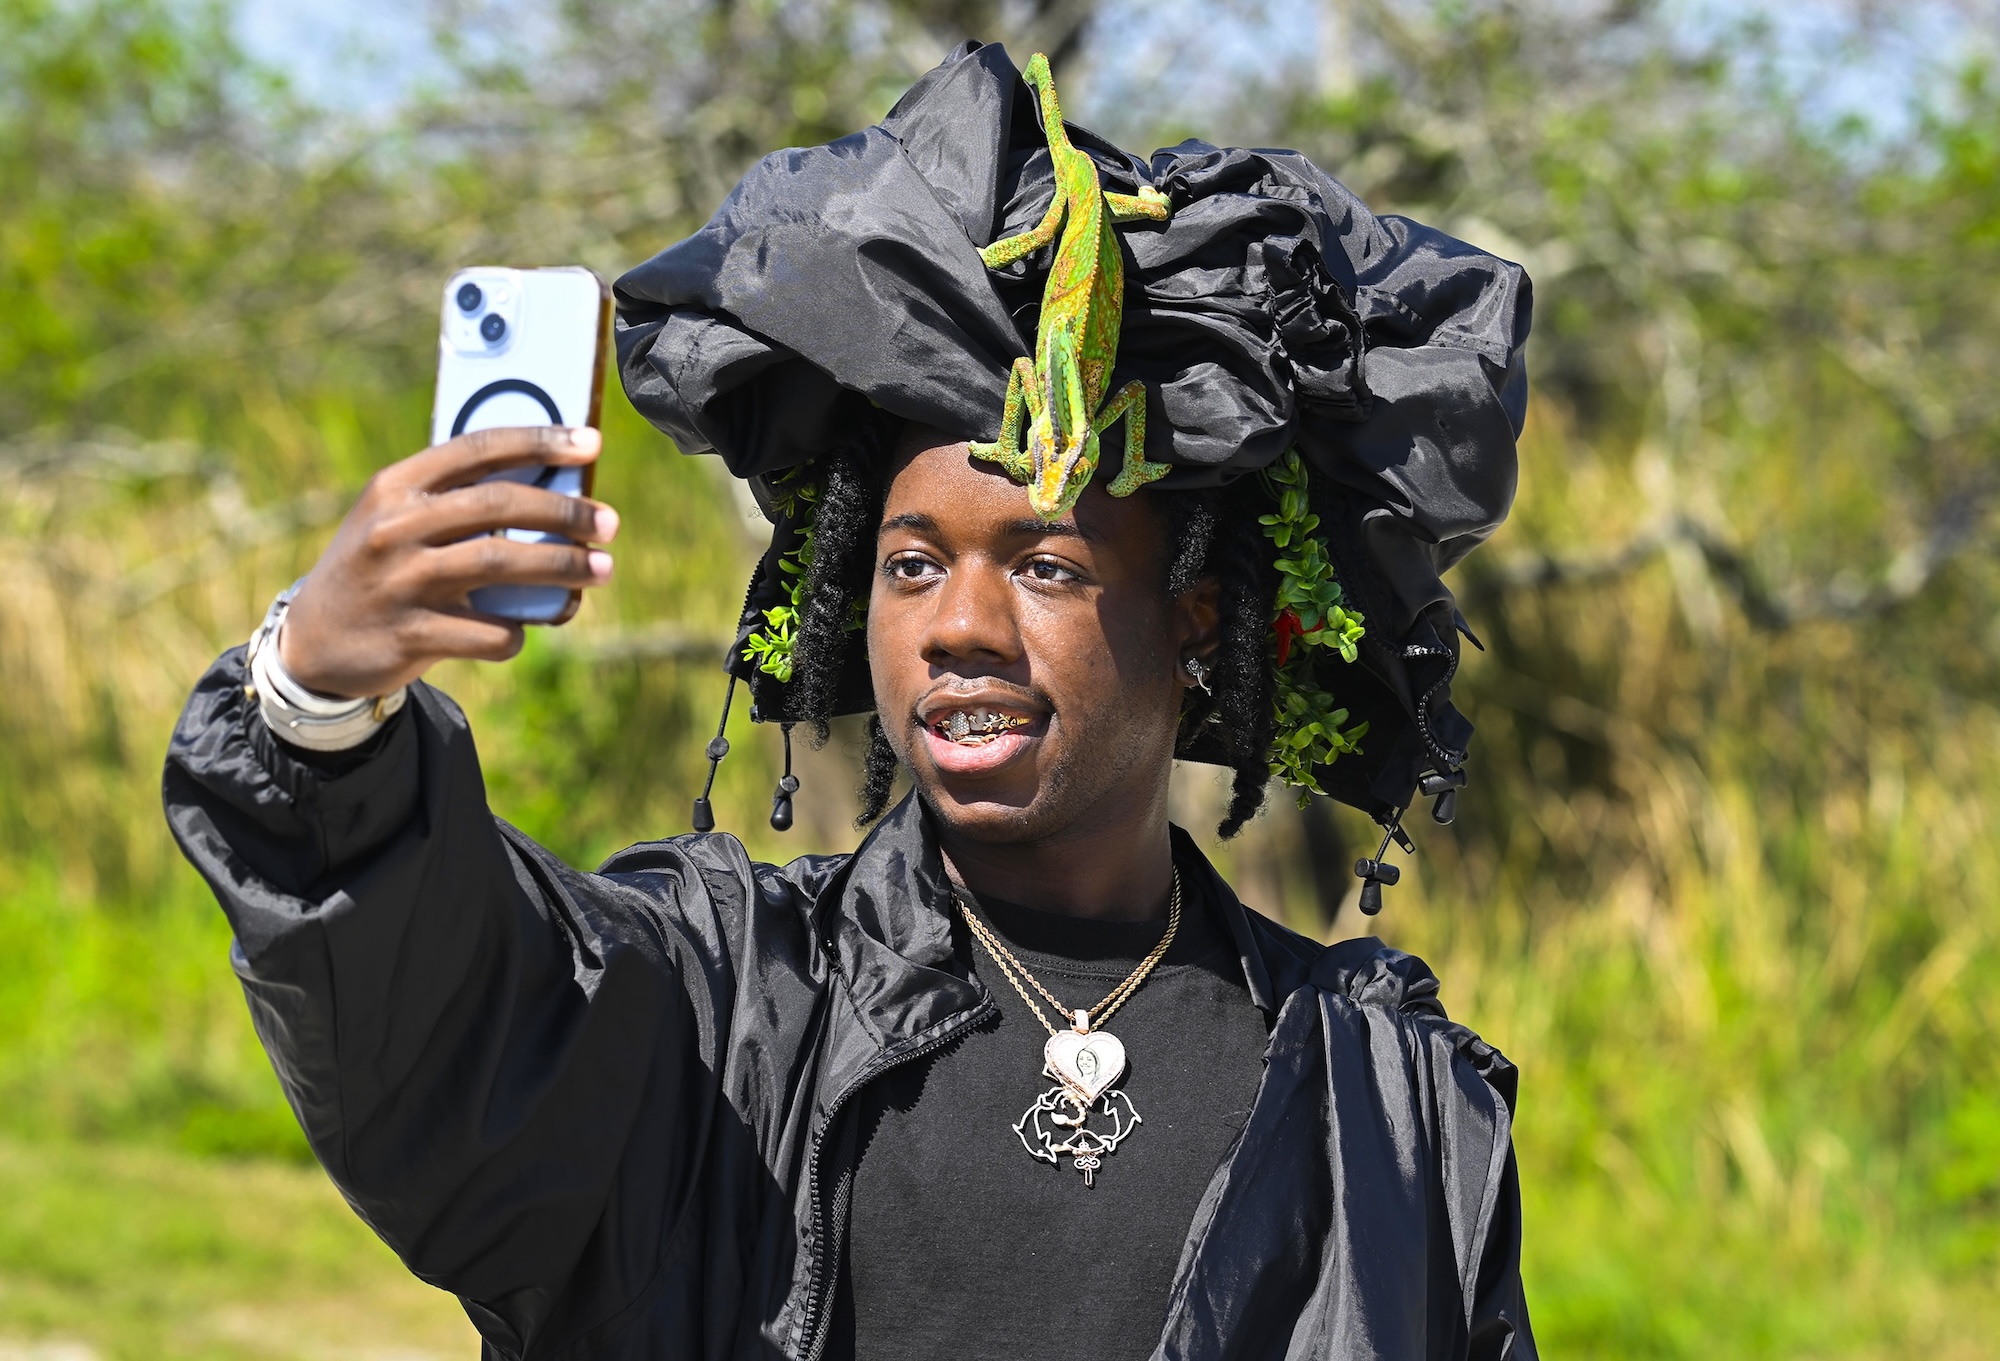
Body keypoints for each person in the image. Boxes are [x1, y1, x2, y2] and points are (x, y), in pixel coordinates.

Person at [165, 42, 1534, 1361]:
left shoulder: (1387, 1107)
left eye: (1045, 564)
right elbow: (452, 1020)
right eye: (911, 563)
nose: (958, 628)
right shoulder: (722, 1009)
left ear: (1195, 620)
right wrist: (319, 700)